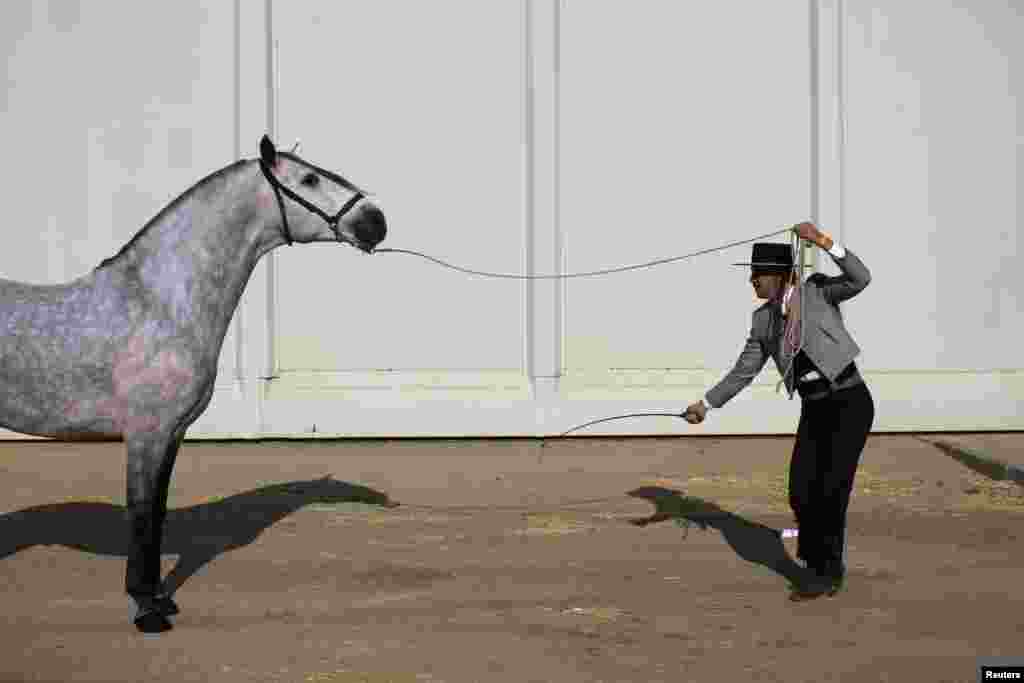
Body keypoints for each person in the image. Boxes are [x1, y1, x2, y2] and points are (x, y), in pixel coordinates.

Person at [683, 222, 875, 601]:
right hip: (815, 409)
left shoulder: (818, 291)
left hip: (848, 402)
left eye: (759, 275)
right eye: (752, 275)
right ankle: (813, 558)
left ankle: (826, 573)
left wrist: (824, 242)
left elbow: (861, 278)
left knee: (832, 490)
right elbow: (744, 370)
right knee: (802, 491)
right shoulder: (763, 321)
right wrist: (706, 404)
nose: (752, 281)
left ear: (781, 275)